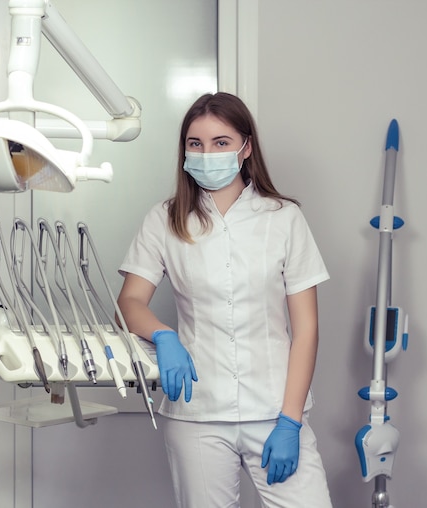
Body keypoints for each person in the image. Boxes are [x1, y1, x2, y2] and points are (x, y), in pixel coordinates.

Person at [117, 92, 333, 508]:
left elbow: (306, 331)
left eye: (221, 142)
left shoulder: (283, 218)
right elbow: (129, 303)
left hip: (275, 411)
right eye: (195, 143)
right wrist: (164, 336)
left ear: (246, 147)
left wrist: (290, 421)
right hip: (198, 413)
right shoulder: (165, 219)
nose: (207, 152)